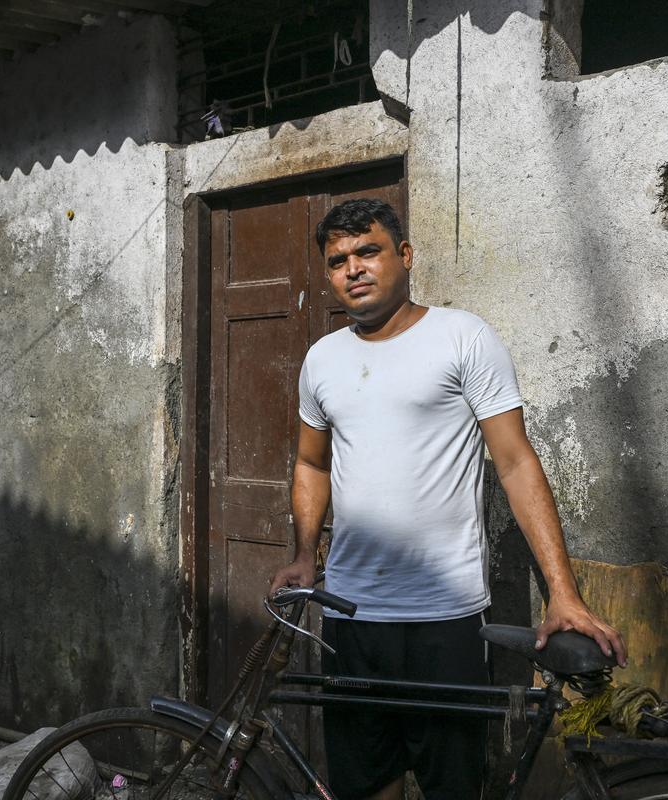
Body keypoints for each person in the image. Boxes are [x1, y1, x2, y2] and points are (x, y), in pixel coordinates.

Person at [269, 198, 626, 800]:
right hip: (351, 621)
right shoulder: (322, 359)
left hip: (447, 617)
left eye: (368, 251)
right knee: (365, 784)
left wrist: (563, 593)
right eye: (338, 261)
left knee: (451, 787)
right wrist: (306, 554)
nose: (353, 268)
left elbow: (515, 464)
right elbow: (311, 462)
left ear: (404, 256)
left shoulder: (463, 337)